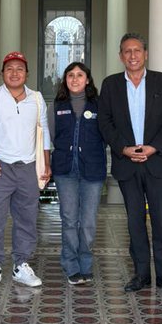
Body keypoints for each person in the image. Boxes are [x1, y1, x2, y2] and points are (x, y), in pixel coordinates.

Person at [98, 33, 162, 295]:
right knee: (134, 221)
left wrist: (153, 147)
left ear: (145, 53)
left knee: (160, 220)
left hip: (157, 162)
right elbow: (105, 122)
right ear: (120, 56)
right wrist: (124, 148)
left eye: (137, 50)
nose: (132, 55)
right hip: (127, 164)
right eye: (127, 51)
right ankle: (141, 274)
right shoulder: (110, 85)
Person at [0, 52, 51, 290]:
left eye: (20, 69)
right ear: (2, 73)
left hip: (27, 168)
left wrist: (46, 163)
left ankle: (21, 265)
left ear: (26, 73)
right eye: (9, 69)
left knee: (26, 218)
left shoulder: (36, 99)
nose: (14, 73)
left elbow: (43, 131)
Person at [48, 61, 107, 285]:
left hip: (93, 170)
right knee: (69, 219)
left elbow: (106, 135)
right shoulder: (57, 105)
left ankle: (86, 263)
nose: (75, 79)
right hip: (65, 171)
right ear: (65, 79)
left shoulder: (100, 105)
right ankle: (70, 264)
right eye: (70, 75)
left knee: (89, 221)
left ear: (88, 80)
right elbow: (52, 136)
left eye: (79, 75)